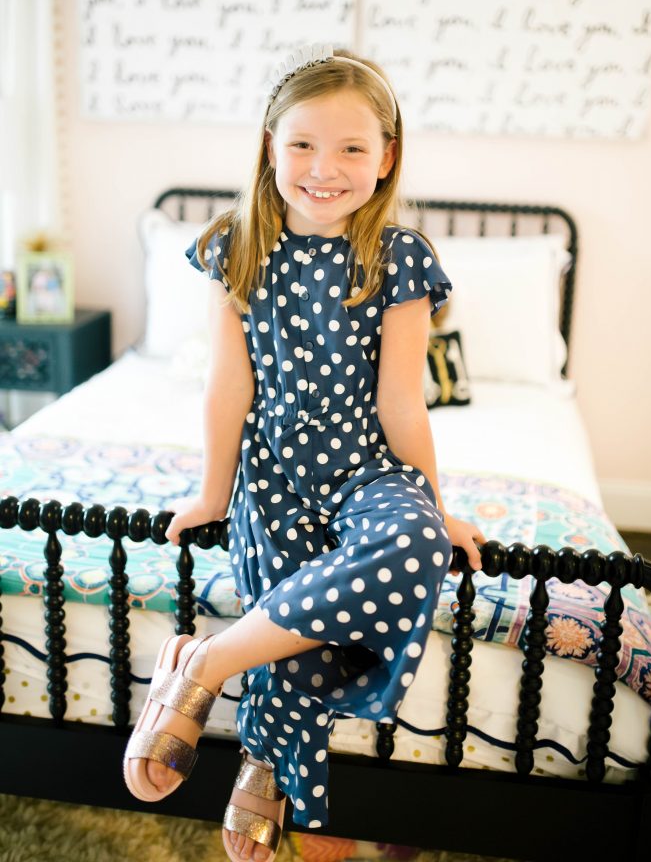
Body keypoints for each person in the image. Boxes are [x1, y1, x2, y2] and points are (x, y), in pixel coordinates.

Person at [123, 45, 485, 862]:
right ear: (269, 146)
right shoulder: (235, 246)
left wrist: (435, 506)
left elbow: (401, 402)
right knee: (301, 614)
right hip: (276, 471)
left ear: (385, 156)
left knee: (414, 542)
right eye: (302, 145)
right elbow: (227, 386)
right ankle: (265, 762)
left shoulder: (400, 258)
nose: (325, 168)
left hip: (368, 467)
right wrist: (214, 493)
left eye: (352, 147)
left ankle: (206, 662)